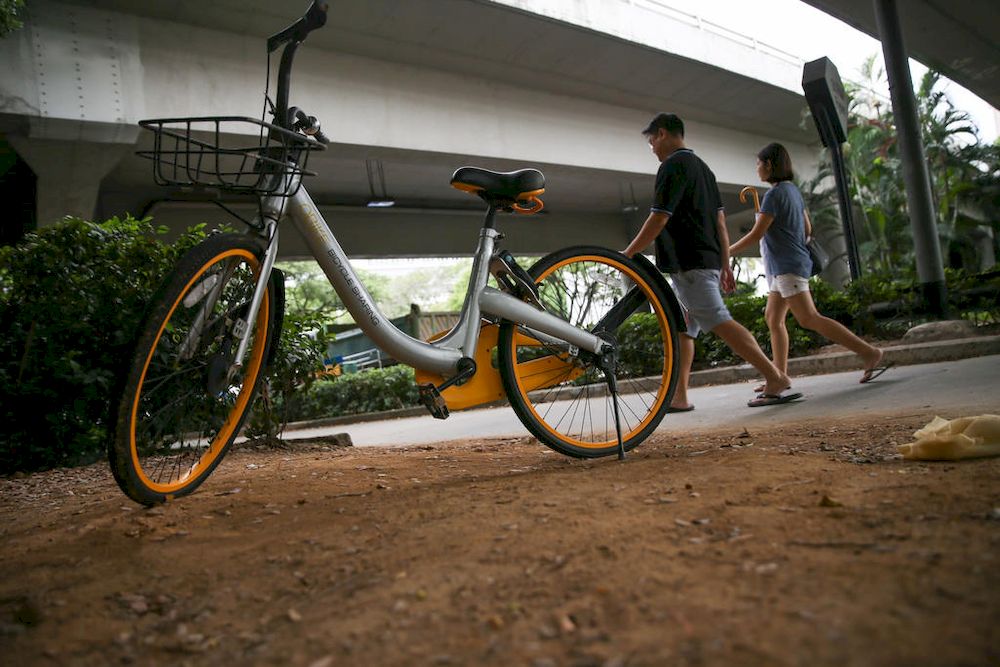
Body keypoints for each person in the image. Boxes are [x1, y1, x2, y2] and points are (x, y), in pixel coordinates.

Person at [623, 113, 800, 409]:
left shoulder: (672, 165)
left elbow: (659, 216)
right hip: (702, 262)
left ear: (663, 134)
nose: (652, 147)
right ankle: (679, 397)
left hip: (689, 263)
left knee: (719, 320)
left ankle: (775, 376)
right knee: (683, 330)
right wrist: (726, 263)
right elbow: (720, 220)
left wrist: (628, 254)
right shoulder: (703, 168)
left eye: (651, 140)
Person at [729, 142, 891, 387]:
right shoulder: (792, 191)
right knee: (773, 319)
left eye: (759, 163)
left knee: (809, 318)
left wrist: (726, 252)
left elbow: (756, 234)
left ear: (769, 165)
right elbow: (807, 228)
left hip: (787, 267)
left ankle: (869, 352)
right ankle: (779, 377)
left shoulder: (773, 195)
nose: (757, 168)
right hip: (785, 267)